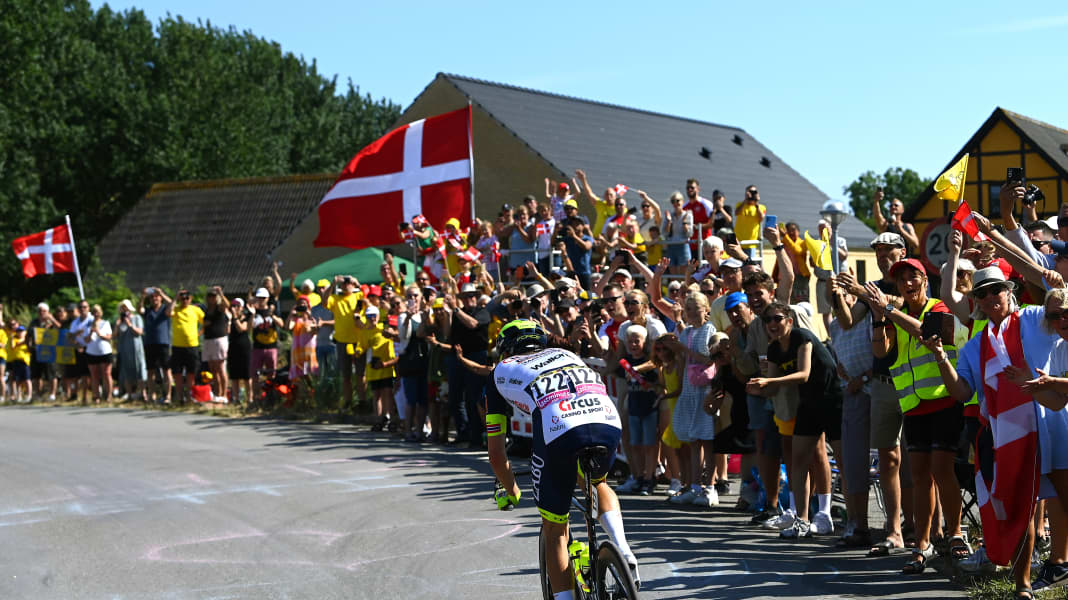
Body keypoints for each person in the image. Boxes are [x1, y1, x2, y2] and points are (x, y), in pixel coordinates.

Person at [484, 320, 637, 599]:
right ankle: (623, 550)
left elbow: (496, 454)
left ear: (505, 349)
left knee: (555, 527)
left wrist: (511, 489)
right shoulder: (568, 355)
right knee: (598, 484)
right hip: (605, 418)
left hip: (560, 427)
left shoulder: (500, 372)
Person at [865, 258, 966, 573]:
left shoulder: (938, 307)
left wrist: (890, 311)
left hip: (943, 400)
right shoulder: (896, 314)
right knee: (920, 475)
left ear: (925, 280)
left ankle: (956, 534)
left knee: (941, 470)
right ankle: (922, 543)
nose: (907, 284)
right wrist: (878, 317)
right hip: (913, 404)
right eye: (901, 280)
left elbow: (927, 334)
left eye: (913, 277)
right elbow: (881, 352)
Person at [168, 290, 204, 405]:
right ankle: (179, 398)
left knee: (191, 373)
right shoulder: (176, 309)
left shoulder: (196, 310)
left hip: (192, 346)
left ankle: (189, 397)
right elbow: (168, 312)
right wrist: (175, 298)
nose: (185, 300)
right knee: (177, 373)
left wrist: (199, 334)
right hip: (177, 346)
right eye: (182, 298)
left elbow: (206, 322)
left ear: (191, 298)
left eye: (187, 298)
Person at [249, 287, 283, 405]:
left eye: (263, 298)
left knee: (271, 374)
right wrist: (252, 314)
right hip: (257, 347)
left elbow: (282, 324)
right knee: (255, 375)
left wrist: (272, 315)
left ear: (268, 299)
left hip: (271, 347)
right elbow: (249, 328)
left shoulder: (272, 310)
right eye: (259, 298)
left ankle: (271, 398)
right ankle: (256, 399)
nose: (261, 300)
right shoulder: (253, 311)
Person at [140, 287, 173, 404]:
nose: (154, 299)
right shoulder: (148, 311)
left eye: (156, 296)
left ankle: (168, 396)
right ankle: (151, 395)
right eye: (152, 297)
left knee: (166, 370)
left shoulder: (165, 309)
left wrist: (161, 293)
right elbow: (140, 309)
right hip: (150, 343)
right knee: (150, 371)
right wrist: (143, 296)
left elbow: (171, 303)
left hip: (163, 343)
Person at [202, 287, 230, 401]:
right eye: (210, 296)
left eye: (214, 296)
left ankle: (224, 394)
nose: (211, 298)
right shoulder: (206, 310)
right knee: (212, 368)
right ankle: (217, 393)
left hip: (219, 339)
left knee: (220, 367)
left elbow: (227, 305)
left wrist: (221, 293)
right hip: (208, 339)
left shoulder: (220, 308)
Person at [115, 299, 147, 401]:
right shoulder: (120, 321)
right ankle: (129, 395)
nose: (124, 310)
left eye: (126, 307)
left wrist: (130, 324)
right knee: (126, 371)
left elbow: (140, 332)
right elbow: (115, 335)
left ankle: (143, 394)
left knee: (140, 370)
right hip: (125, 349)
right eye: (122, 308)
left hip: (136, 348)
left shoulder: (137, 318)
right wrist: (118, 324)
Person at [873, 189, 919, 254]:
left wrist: (901, 229)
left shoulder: (908, 226)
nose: (893, 207)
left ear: (902, 210)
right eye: (891, 206)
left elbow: (915, 244)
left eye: (896, 205)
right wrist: (876, 200)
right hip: (891, 262)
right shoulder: (886, 225)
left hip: (904, 261)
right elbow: (877, 215)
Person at [85, 304, 114, 404]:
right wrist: (90, 332)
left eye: (97, 311)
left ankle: (109, 395)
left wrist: (98, 332)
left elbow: (109, 337)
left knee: (106, 374)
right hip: (92, 352)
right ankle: (96, 396)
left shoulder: (105, 323)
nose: (96, 314)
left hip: (105, 352)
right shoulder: (88, 324)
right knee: (94, 375)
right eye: (94, 311)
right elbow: (86, 340)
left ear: (100, 312)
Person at [227, 298, 253, 406]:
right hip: (233, 348)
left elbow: (241, 328)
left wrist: (235, 317)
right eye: (234, 305)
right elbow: (227, 331)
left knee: (247, 375)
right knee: (234, 376)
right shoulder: (230, 318)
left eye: (238, 306)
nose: (235, 308)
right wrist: (229, 320)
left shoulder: (246, 318)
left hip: (245, 348)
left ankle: (250, 399)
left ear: (242, 307)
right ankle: (236, 399)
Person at [734, 185, 768, 258]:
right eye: (749, 192)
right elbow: (736, 213)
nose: (751, 194)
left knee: (749, 266)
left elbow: (761, 218)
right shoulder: (740, 204)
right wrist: (745, 200)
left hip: (751, 243)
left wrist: (756, 203)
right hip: (739, 241)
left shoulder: (761, 207)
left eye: (753, 192)